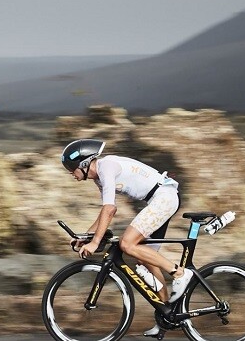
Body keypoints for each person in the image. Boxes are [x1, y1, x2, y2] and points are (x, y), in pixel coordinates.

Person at [60, 138, 194, 337]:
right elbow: (104, 211)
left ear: (85, 164)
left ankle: (179, 273)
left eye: (72, 169)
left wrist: (96, 241)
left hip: (163, 198)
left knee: (126, 243)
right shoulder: (100, 176)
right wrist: (85, 236)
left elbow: (110, 209)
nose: (71, 174)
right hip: (159, 199)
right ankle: (166, 315)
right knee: (145, 258)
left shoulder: (106, 168)